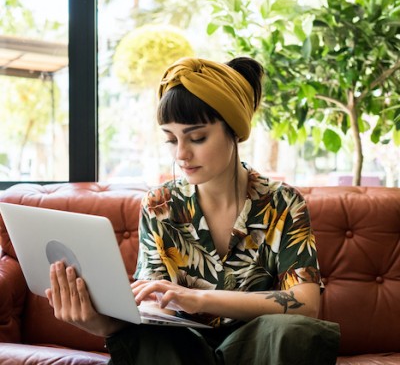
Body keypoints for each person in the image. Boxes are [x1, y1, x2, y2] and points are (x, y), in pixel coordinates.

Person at [46, 56, 340, 364]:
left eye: (197, 137)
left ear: (234, 130)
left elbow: (306, 304)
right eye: (171, 140)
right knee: (146, 335)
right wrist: (95, 322)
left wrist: (200, 298)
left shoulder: (283, 203)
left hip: (259, 350)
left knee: (292, 330)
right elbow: (152, 305)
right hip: (183, 351)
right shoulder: (159, 205)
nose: (182, 154)